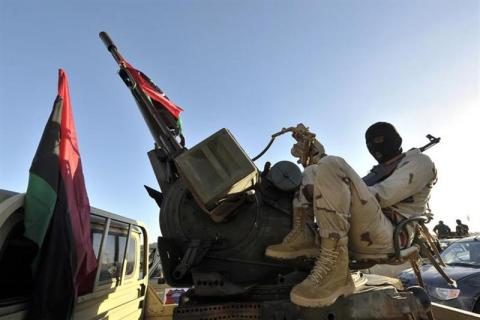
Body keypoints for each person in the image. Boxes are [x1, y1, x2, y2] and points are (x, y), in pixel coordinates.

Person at [265, 122, 437, 308]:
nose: (374, 147)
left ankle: (335, 269)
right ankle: (305, 235)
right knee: (312, 171)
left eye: (380, 140)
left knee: (331, 164)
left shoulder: (420, 162)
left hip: (390, 236)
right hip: (362, 230)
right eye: (370, 143)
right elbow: (347, 189)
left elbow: (381, 195)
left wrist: (324, 182)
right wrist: (315, 153)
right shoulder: (378, 171)